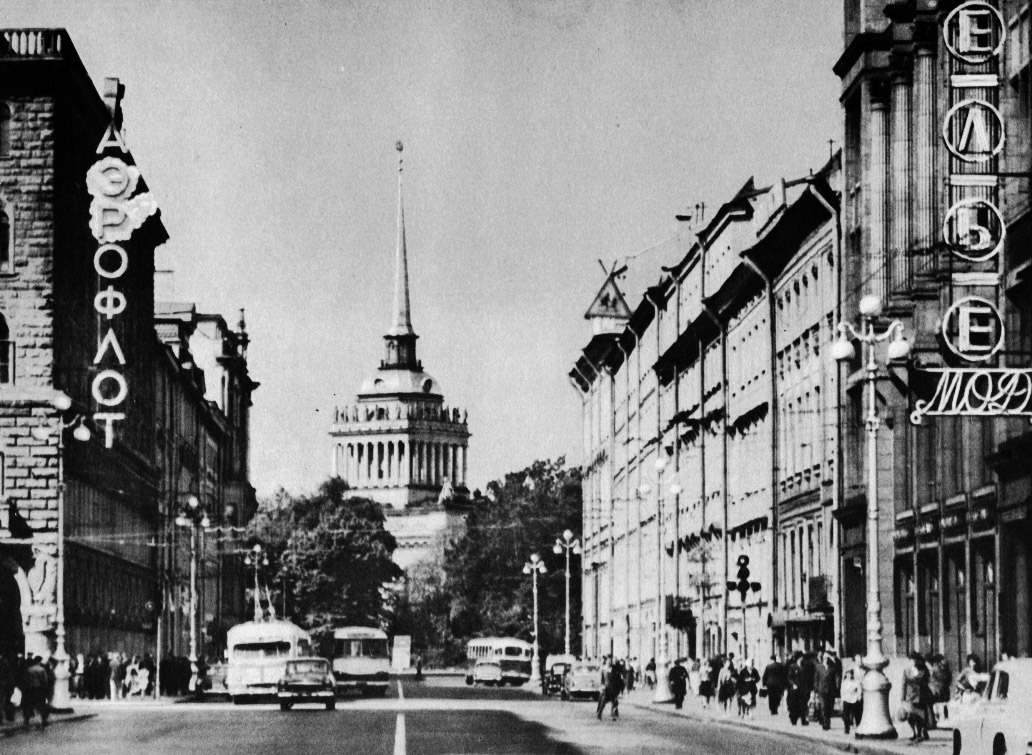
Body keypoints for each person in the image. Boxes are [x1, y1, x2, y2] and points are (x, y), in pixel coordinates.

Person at [900, 652, 931, 742]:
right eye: (911, 660)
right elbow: (903, 684)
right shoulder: (906, 670)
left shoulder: (923, 670)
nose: (913, 661)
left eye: (914, 660)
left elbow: (927, 681)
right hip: (910, 696)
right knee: (910, 716)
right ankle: (913, 732)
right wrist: (902, 698)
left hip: (921, 696)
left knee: (920, 716)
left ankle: (919, 734)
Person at [21, 656, 49, 728]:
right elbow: (45, 680)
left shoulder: (29, 669)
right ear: (39, 661)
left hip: (30, 689)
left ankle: (26, 720)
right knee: (41, 704)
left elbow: (25, 679)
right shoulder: (42, 669)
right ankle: (44, 720)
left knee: (29, 705)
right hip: (39, 689)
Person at [814, 651, 839, 730]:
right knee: (823, 706)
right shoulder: (819, 667)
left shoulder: (833, 667)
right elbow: (816, 679)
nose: (825, 659)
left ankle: (827, 720)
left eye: (827, 658)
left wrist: (837, 689)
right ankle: (825, 723)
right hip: (821, 690)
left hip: (831, 690)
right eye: (824, 658)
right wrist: (815, 690)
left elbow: (836, 679)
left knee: (830, 707)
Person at [840, 667, 862, 735]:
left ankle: (859, 729)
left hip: (854, 698)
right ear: (846, 674)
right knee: (846, 715)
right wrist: (842, 700)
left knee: (857, 715)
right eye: (848, 674)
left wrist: (859, 696)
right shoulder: (844, 682)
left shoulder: (855, 681)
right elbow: (842, 692)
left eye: (850, 674)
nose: (849, 675)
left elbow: (859, 689)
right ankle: (847, 729)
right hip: (846, 699)